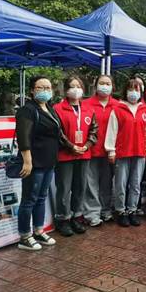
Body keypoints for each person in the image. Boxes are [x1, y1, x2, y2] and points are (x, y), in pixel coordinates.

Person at [15, 76, 62, 251]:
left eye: (48, 87)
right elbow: (23, 138)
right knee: (29, 199)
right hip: (34, 163)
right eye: (40, 87)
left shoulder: (49, 108)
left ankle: (38, 231)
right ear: (32, 90)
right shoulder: (27, 110)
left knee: (41, 198)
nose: (45, 91)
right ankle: (24, 236)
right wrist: (27, 161)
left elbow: (58, 133)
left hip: (49, 161)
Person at [54, 76, 98, 236]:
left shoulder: (88, 109)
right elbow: (57, 132)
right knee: (64, 188)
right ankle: (63, 219)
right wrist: (71, 146)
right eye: (72, 86)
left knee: (80, 187)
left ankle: (76, 216)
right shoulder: (57, 109)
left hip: (84, 154)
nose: (76, 89)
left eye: (78, 86)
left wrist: (87, 145)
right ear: (66, 90)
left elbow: (94, 130)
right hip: (65, 155)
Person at [105, 78, 146, 227]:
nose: (133, 92)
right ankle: (120, 211)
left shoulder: (145, 110)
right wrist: (111, 150)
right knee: (120, 184)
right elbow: (112, 131)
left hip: (139, 152)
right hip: (122, 152)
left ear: (141, 92)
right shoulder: (118, 109)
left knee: (135, 184)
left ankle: (132, 210)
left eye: (136, 90)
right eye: (131, 89)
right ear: (125, 91)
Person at [82, 75, 120, 226]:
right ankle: (92, 214)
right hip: (90, 150)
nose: (105, 86)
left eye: (108, 83)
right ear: (95, 85)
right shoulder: (86, 104)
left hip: (110, 152)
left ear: (113, 86)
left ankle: (106, 210)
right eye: (101, 83)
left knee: (107, 183)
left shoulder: (118, 105)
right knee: (90, 184)